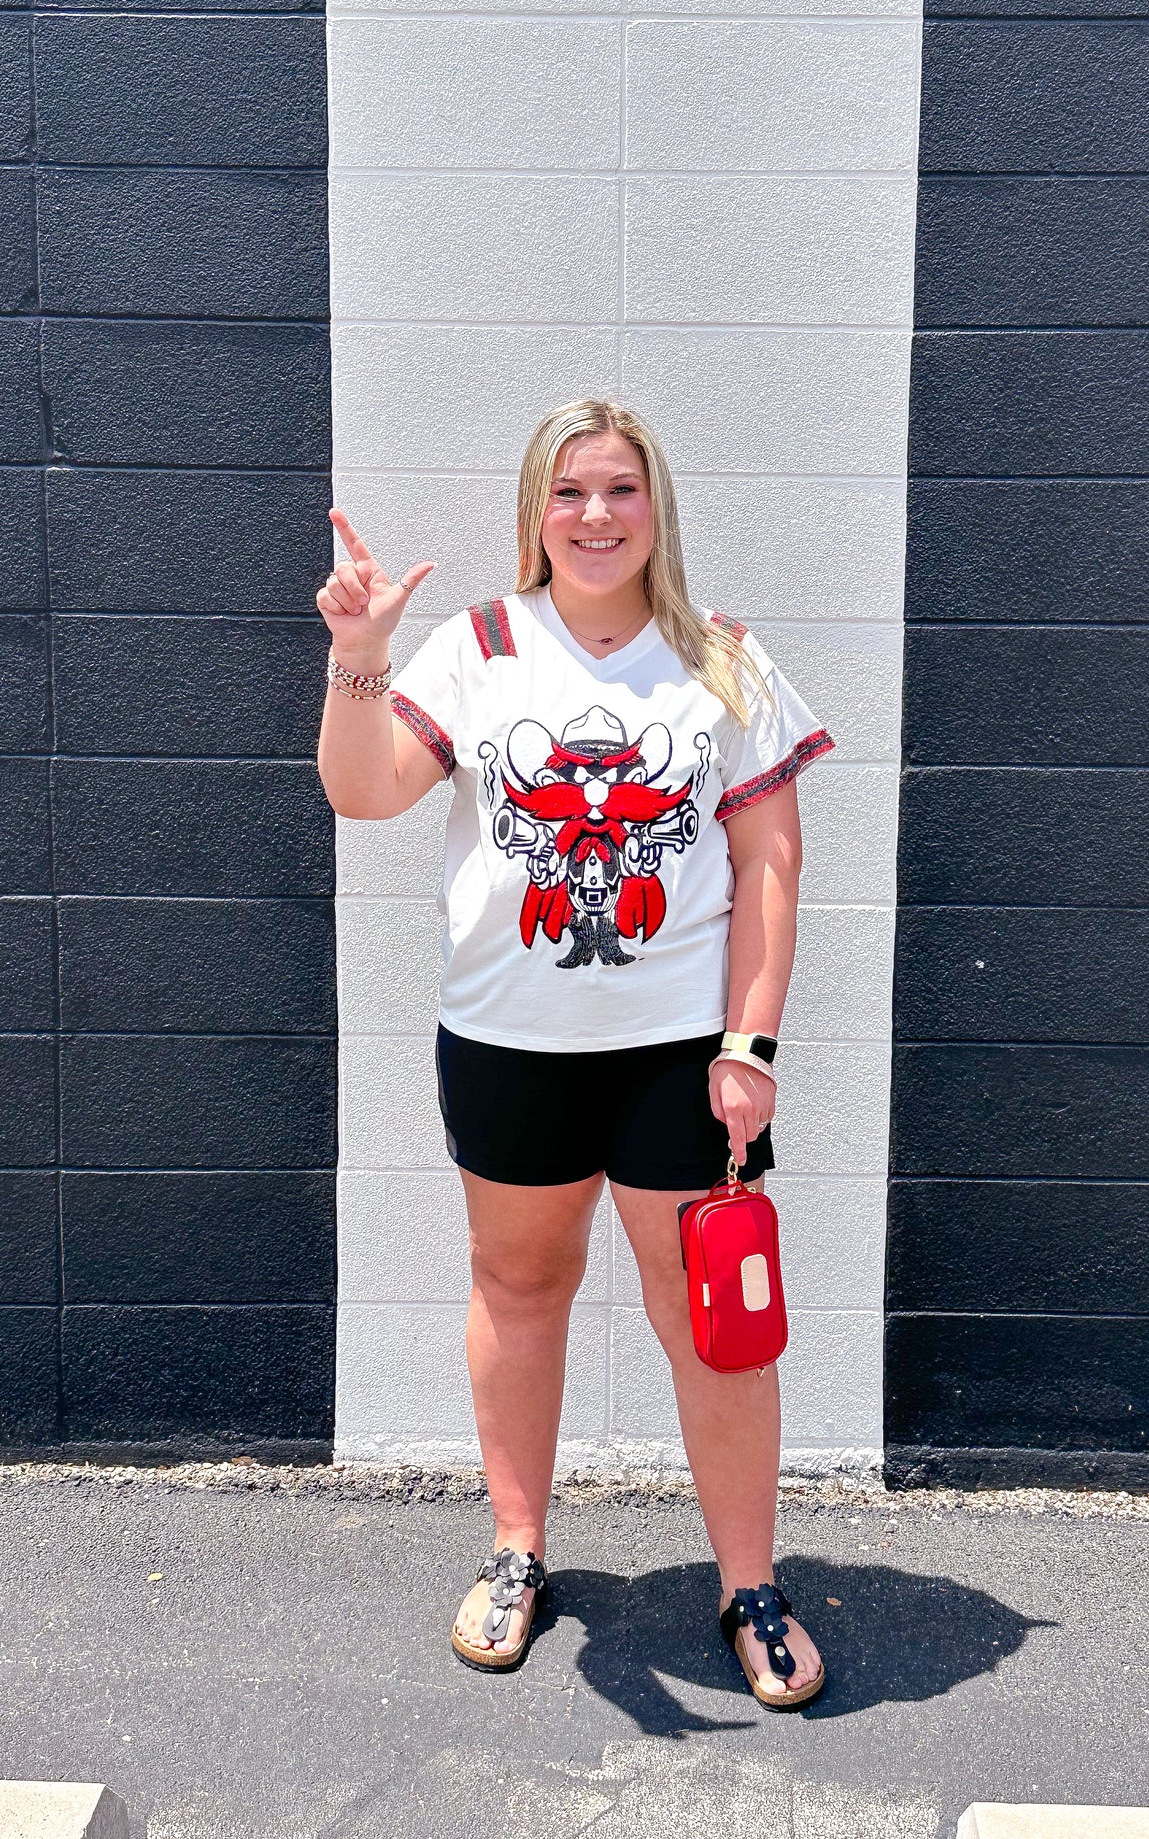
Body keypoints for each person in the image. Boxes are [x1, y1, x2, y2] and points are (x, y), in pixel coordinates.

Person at [315, 398, 834, 1707]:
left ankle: (749, 1585)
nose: (594, 516)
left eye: (619, 490)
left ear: (655, 507)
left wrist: (749, 1041)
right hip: (509, 1044)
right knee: (518, 1284)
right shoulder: (477, 649)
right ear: (535, 513)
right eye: (568, 492)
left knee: (713, 1322)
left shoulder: (720, 659)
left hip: (676, 1057)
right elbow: (365, 790)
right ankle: (516, 1551)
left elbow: (770, 861)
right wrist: (358, 662)